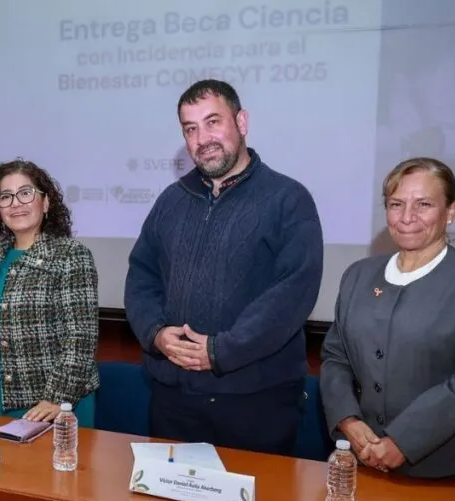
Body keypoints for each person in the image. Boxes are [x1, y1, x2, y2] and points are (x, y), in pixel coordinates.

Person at [124, 79, 324, 455]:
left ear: (242, 122)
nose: (203, 138)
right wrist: (155, 333)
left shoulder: (288, 199)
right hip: (173, 401)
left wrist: (221, 350)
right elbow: (142, 277)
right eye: (191, 129)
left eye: (213, 121)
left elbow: (293, 292)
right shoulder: (170, 200)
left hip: (256, 402)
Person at [320, 157, 455, 483]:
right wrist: (348, 421)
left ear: (451, 211)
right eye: (396, 204)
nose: (407, 217)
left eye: (423, 204)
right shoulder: (358, 276)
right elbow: (336, 358)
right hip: (364, 460)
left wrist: (402, 442)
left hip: (453, 472)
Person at [0, 159, 99, 425]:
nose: (16, 203)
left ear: (46, 202)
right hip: (0, 396)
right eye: (6, 197)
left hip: (57, 406)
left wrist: (56, 397)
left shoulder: (70, 255)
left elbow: (81, 338)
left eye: (26, 193)